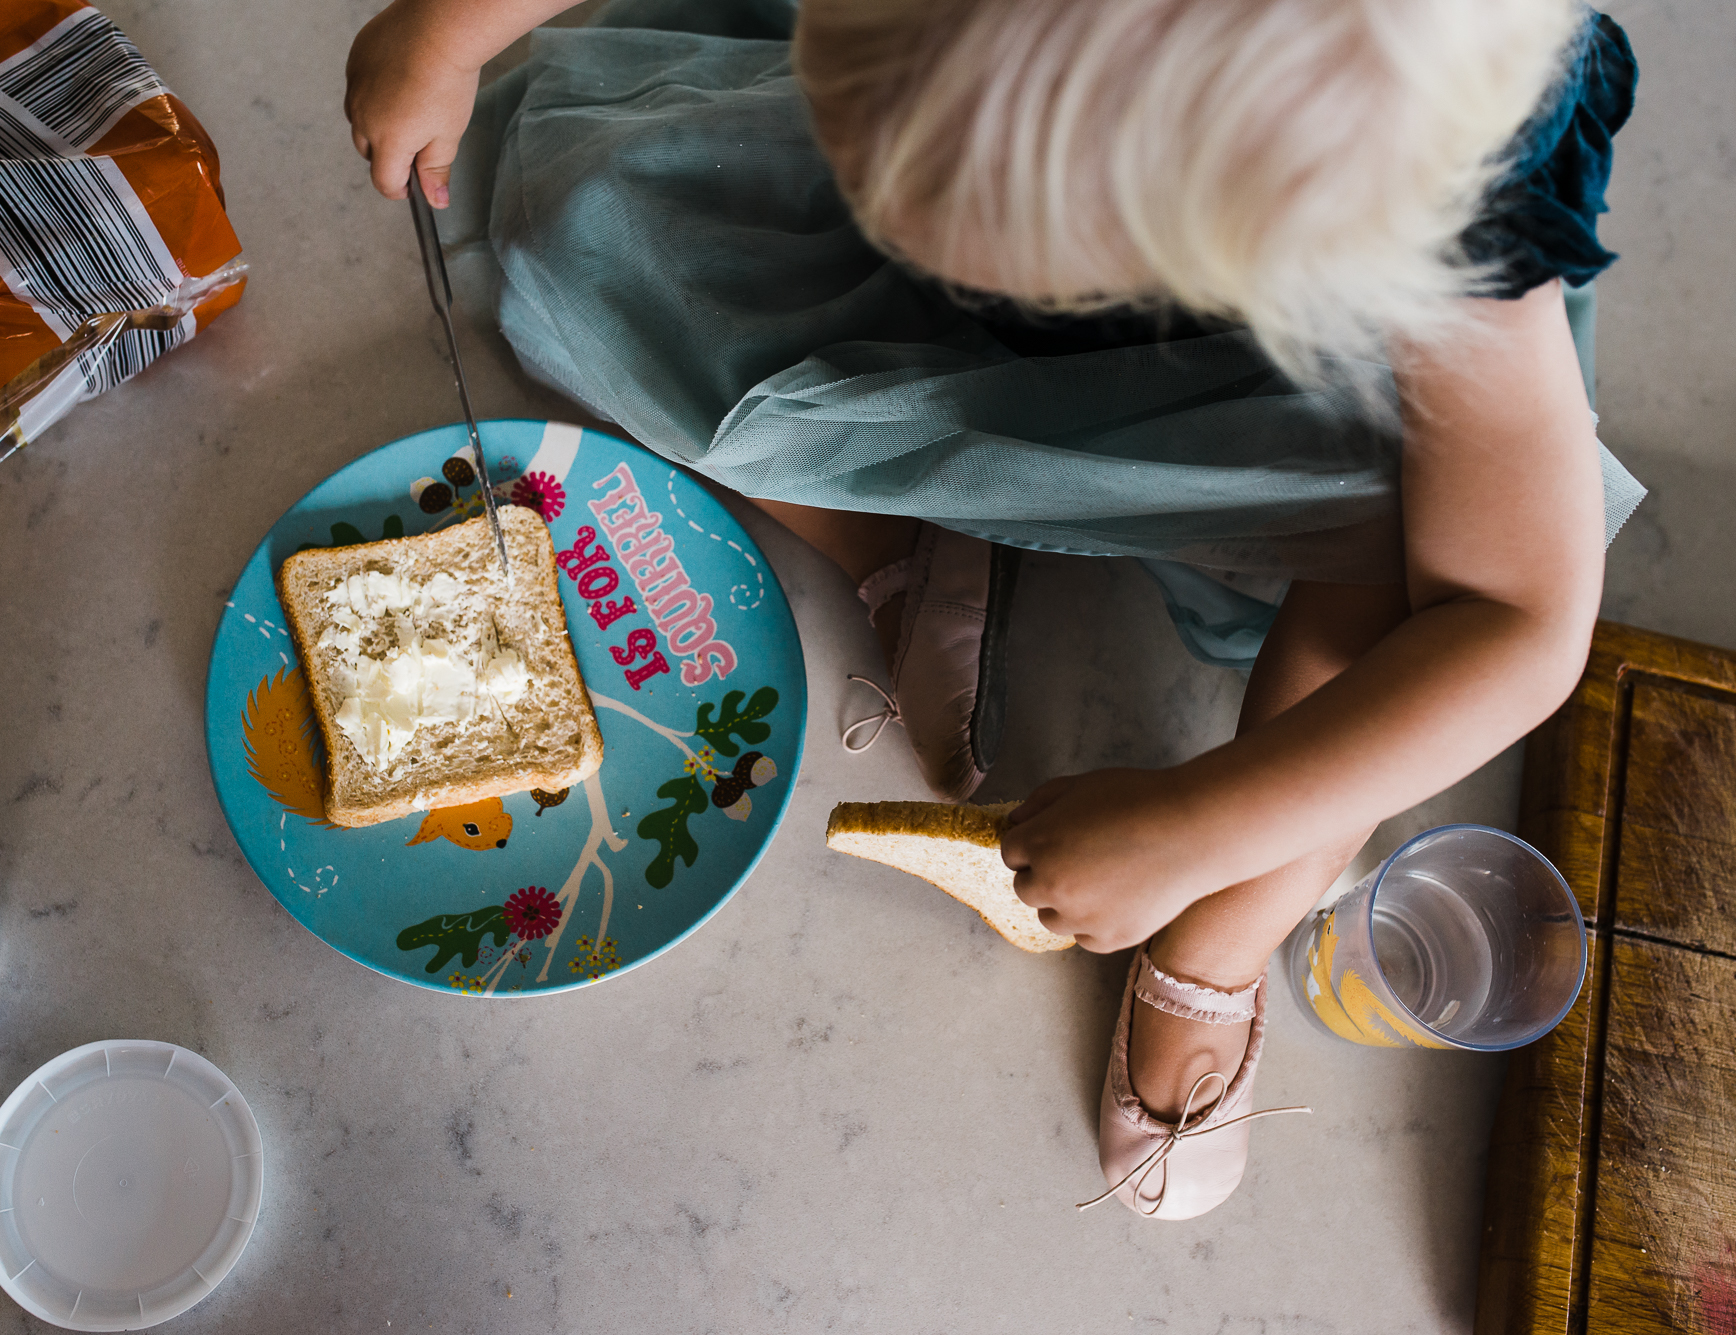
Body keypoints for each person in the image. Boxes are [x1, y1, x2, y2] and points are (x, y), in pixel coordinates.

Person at [346, 0, 1638, 1218]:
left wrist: (1198, 828)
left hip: (1289, 389)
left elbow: (1513, 621)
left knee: (1399, 544)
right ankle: (904, 533)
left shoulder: (1441, 206)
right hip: (988, 116)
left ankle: (1227, 932)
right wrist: (453, 27)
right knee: (566, 245)